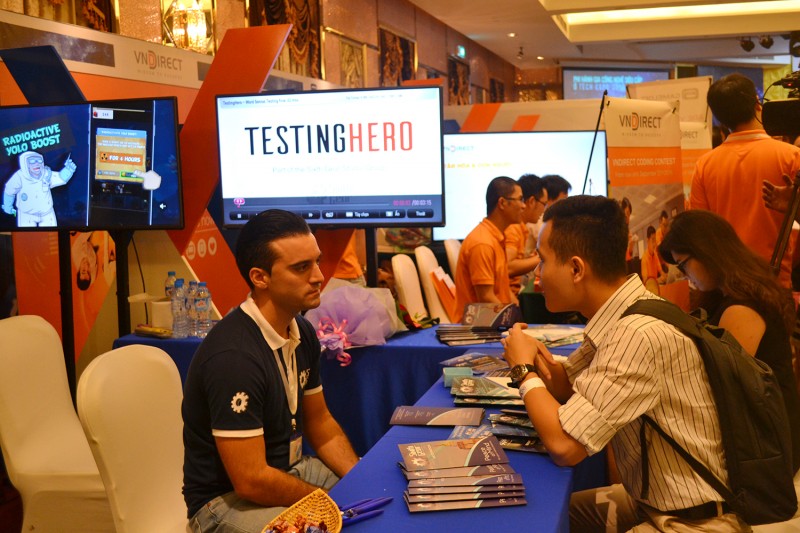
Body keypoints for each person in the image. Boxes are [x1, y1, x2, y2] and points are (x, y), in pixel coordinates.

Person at [502, 195, 746, 531]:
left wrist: (523, 370)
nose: (537, 274)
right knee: (546, 517)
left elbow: (564, 445)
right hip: (651, 504)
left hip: (692, 522)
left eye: (542, 261)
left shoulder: (636, 334)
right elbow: (565, 386)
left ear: (576, 269)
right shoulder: (625, 310)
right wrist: (532, 353)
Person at [182, 209, 359, 532]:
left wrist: (362, 480)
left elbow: (320, 423)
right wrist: (323, 503)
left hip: (289, 470)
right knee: (333, 525)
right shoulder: (234, 358)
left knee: (372, 500)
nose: (319, 276)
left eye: (317, 262)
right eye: (301, 267)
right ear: (260, 278)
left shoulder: (302, 331)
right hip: (224, 501)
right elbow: (250, 481)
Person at [658, 209, 800, 474]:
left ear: (707, 251)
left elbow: (719, 385)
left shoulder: (742, 308)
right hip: (763, 440)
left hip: (769, 453)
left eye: (683, 264)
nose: (684, 274)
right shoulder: (729, 295)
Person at [690, 73, 800, 288]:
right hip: (775, 284)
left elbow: (700, 232)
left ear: (719, 119)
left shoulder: (704, 166)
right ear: (757, 104)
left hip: (726, 285)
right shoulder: (792, 157)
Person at [454, 176, 524, 321]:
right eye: (520, 199)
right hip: (477, 326)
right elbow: (486, 298)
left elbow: (501, 288)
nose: (523, 206)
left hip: (492, 321)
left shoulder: (496, 237)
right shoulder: (482, 243)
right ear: (502, 203)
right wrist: (512, 321)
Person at [2, 151, 76, 227]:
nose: (37, 164)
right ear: (25, 164)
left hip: (47, 213)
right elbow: (9, 191)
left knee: (51, 232)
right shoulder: (19, 176)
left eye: (39, 160)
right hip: (26, 214)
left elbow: (60, 178)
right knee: (26, 233)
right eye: (32, 161)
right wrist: (8, 208)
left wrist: (69, 170)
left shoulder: (46, 174)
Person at [505, 174, 548, 294]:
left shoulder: (521, 227)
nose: (544, 210)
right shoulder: (513, 228)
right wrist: (543, 257)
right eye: (544, 204)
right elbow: (508, 267)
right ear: (532, 201)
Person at [641, 226, 666, 291]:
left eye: (655, 240)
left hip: (655, 287)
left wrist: (666, 276)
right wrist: (658, 280)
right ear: (647, 240)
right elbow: (646, 282)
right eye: (652, 240)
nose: (654, 244)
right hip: (648, 290)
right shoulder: (644, 258)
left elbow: (661, 272)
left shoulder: (655, 255)